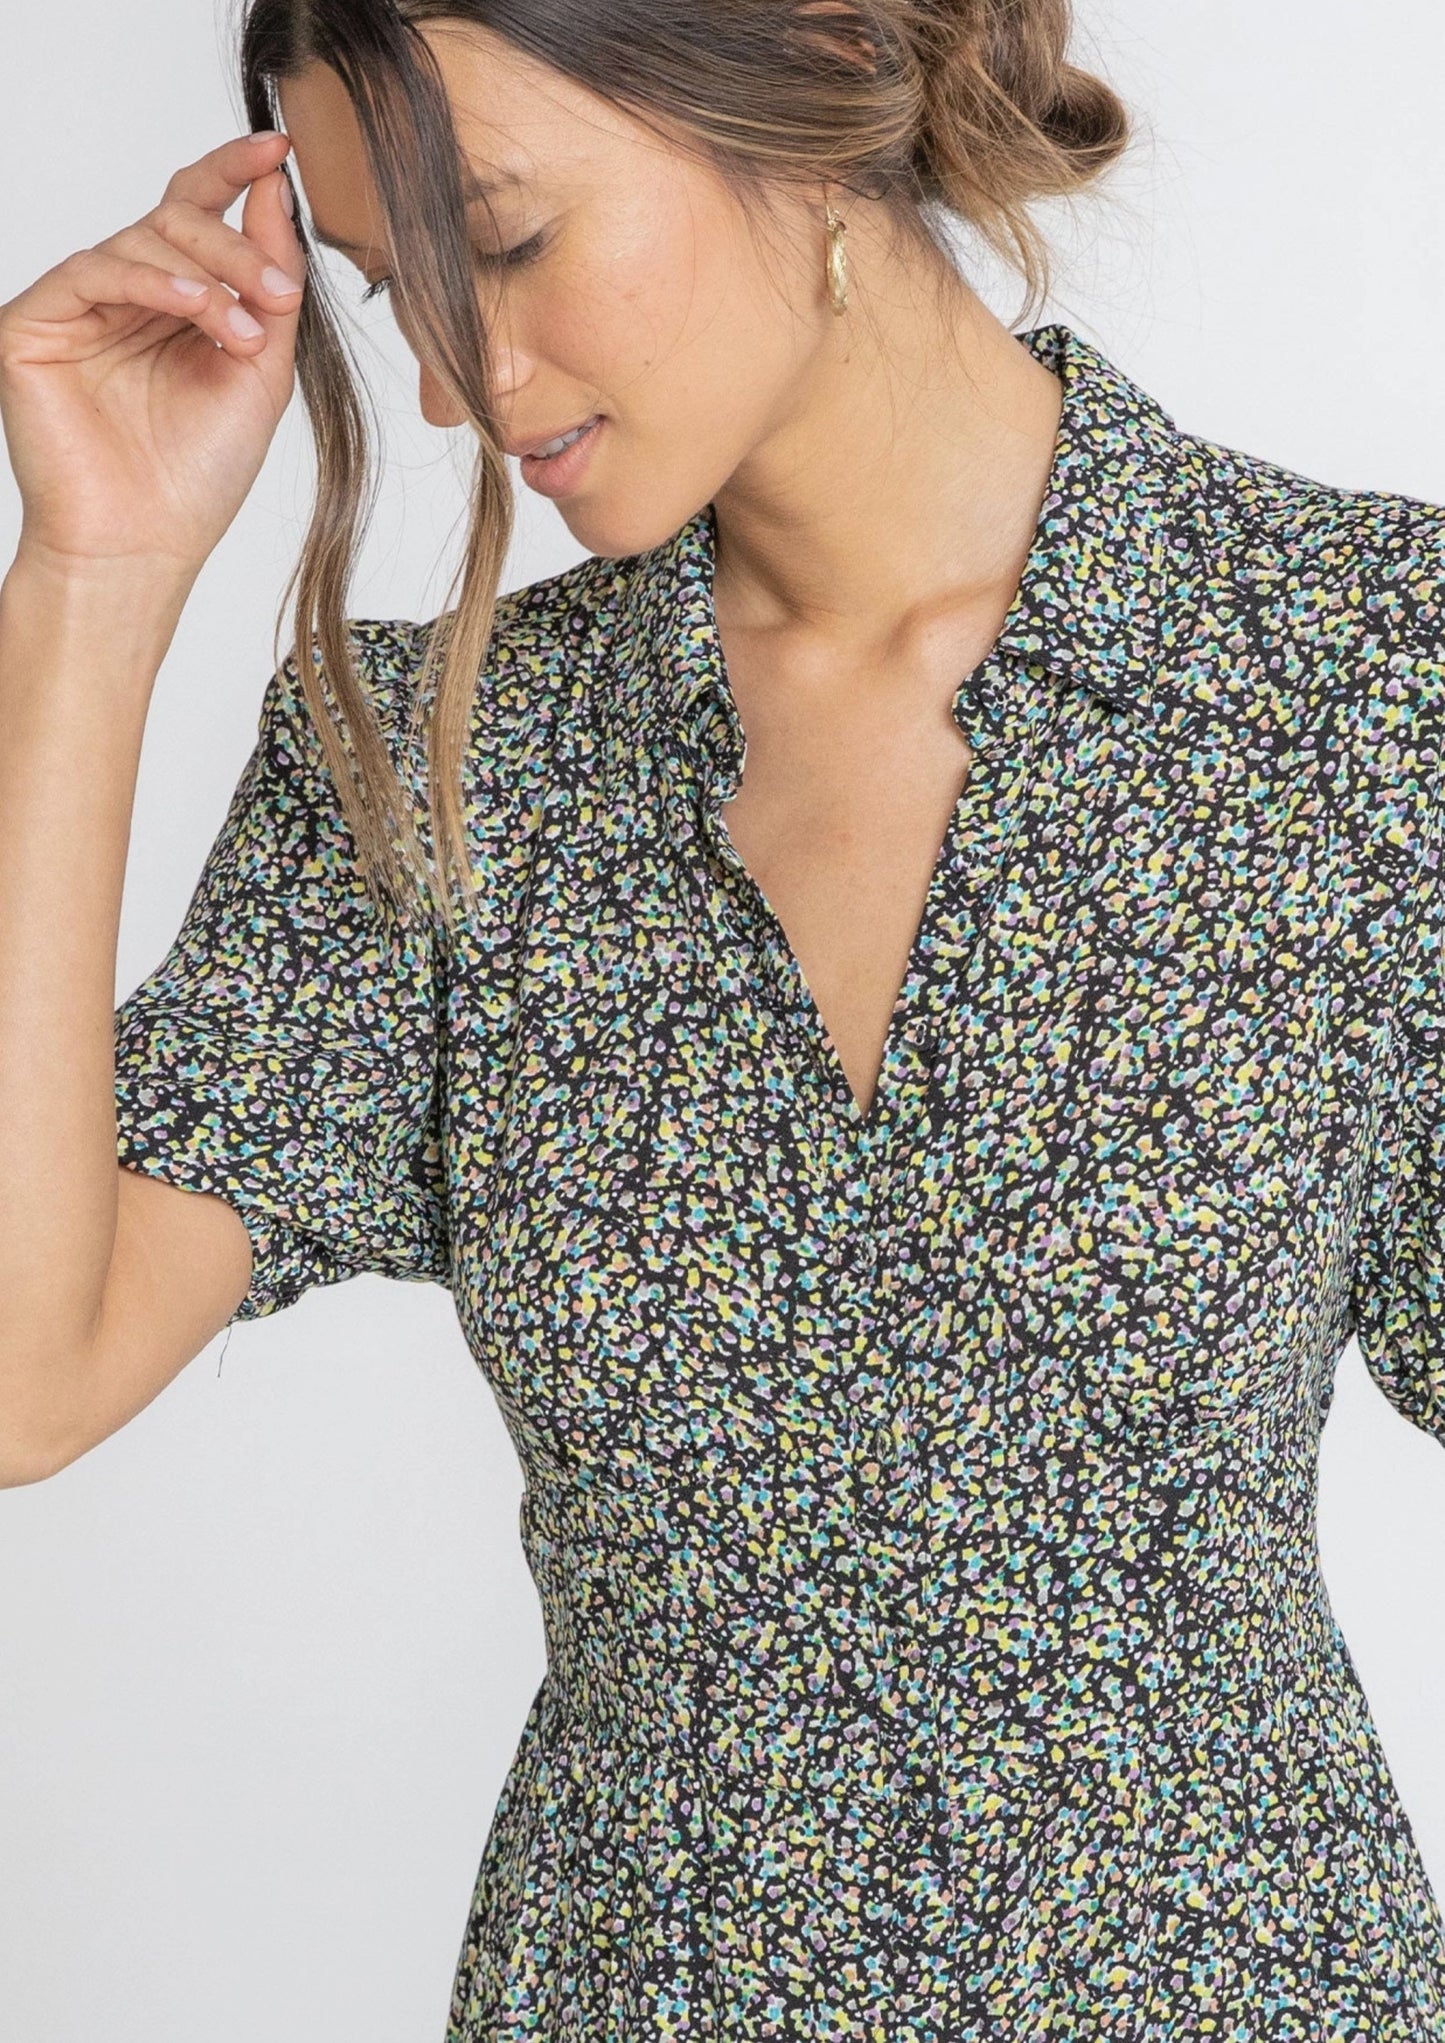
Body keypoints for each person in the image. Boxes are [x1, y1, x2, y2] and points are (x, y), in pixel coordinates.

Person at [1, 0, 1443, 2035]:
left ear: (802, 68)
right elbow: (19, 1367)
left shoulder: (1371, 684)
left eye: (498, 239)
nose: (449, 382)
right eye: (397, 292)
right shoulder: (443, 761)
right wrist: (93, 568)